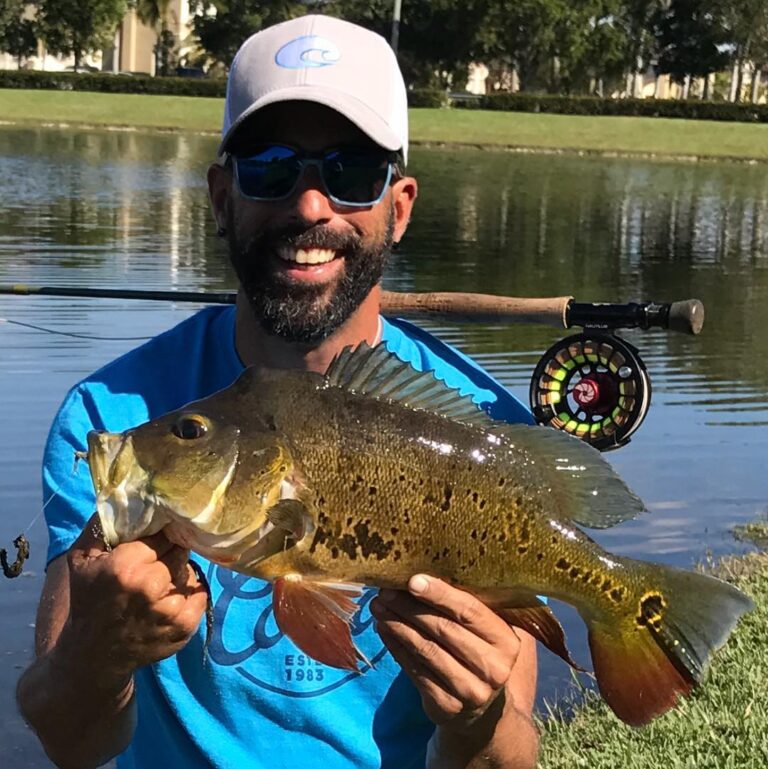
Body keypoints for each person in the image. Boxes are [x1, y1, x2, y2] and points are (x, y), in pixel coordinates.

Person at [17, 14, 540, 769]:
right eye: (270, 167)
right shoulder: (115, 418)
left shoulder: (482, 435)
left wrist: (478, 721)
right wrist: (93, 657)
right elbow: (73, 742)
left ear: (399, 206)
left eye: (352, 171)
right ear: (222, 196)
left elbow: (509, 758)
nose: (310, 206)